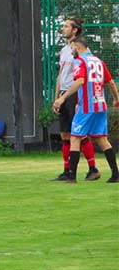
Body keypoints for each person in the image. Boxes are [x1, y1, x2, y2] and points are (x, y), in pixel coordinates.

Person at [53, 37, 119, 183]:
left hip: (87, 107)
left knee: (75, 137)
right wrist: (116, 99)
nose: (72, 51)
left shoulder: (80, 62)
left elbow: (80, 81)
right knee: (102, 139)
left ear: (78, 47)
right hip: (101, 105)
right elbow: (111, 82)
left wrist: (62, 98)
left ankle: (71, 176)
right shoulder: (99, 62)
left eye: (73, 49)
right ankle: (116, 174)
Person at [52, 18, 99, 181]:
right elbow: (61, 75)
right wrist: (56, 97)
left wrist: (79, 97)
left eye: (66, 26)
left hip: (75, 95)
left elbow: (85, 75)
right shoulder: (65, 50)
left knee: (78, 133)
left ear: (75, 30)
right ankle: (66, 171)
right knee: (64, 134)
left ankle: (93, 168)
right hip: (64, 95)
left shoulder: (82, 51)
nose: (63, 28)